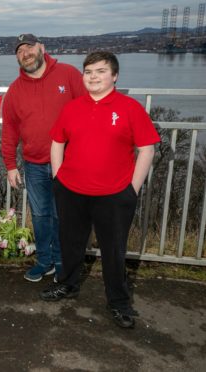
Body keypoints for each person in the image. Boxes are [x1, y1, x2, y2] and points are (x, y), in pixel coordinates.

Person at [40, 51, 160, 329]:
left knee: (114, 250)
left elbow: (147, 149)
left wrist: (132, 189)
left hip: (114, 194)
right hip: (71, 190)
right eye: (88, 71)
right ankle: (67, 284)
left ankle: (118, 301)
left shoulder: (130, 108)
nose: (93, 76)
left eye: (100, 71)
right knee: (70, 244)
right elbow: (57, 141)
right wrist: (59, 179)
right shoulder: (72, 107)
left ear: (114, 76)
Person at [1, 33, 86, 282]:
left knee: (63, 216)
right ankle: (44, 261)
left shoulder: (68, 74)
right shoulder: (15, 90)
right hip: (34, 164)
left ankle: (62, 262)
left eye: (29, 47)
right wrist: (10, 165)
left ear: (42, 48)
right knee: (40, 216)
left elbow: (88, 110)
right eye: (19, 51)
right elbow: (10, 131)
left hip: (69, 163)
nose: (25, 53)